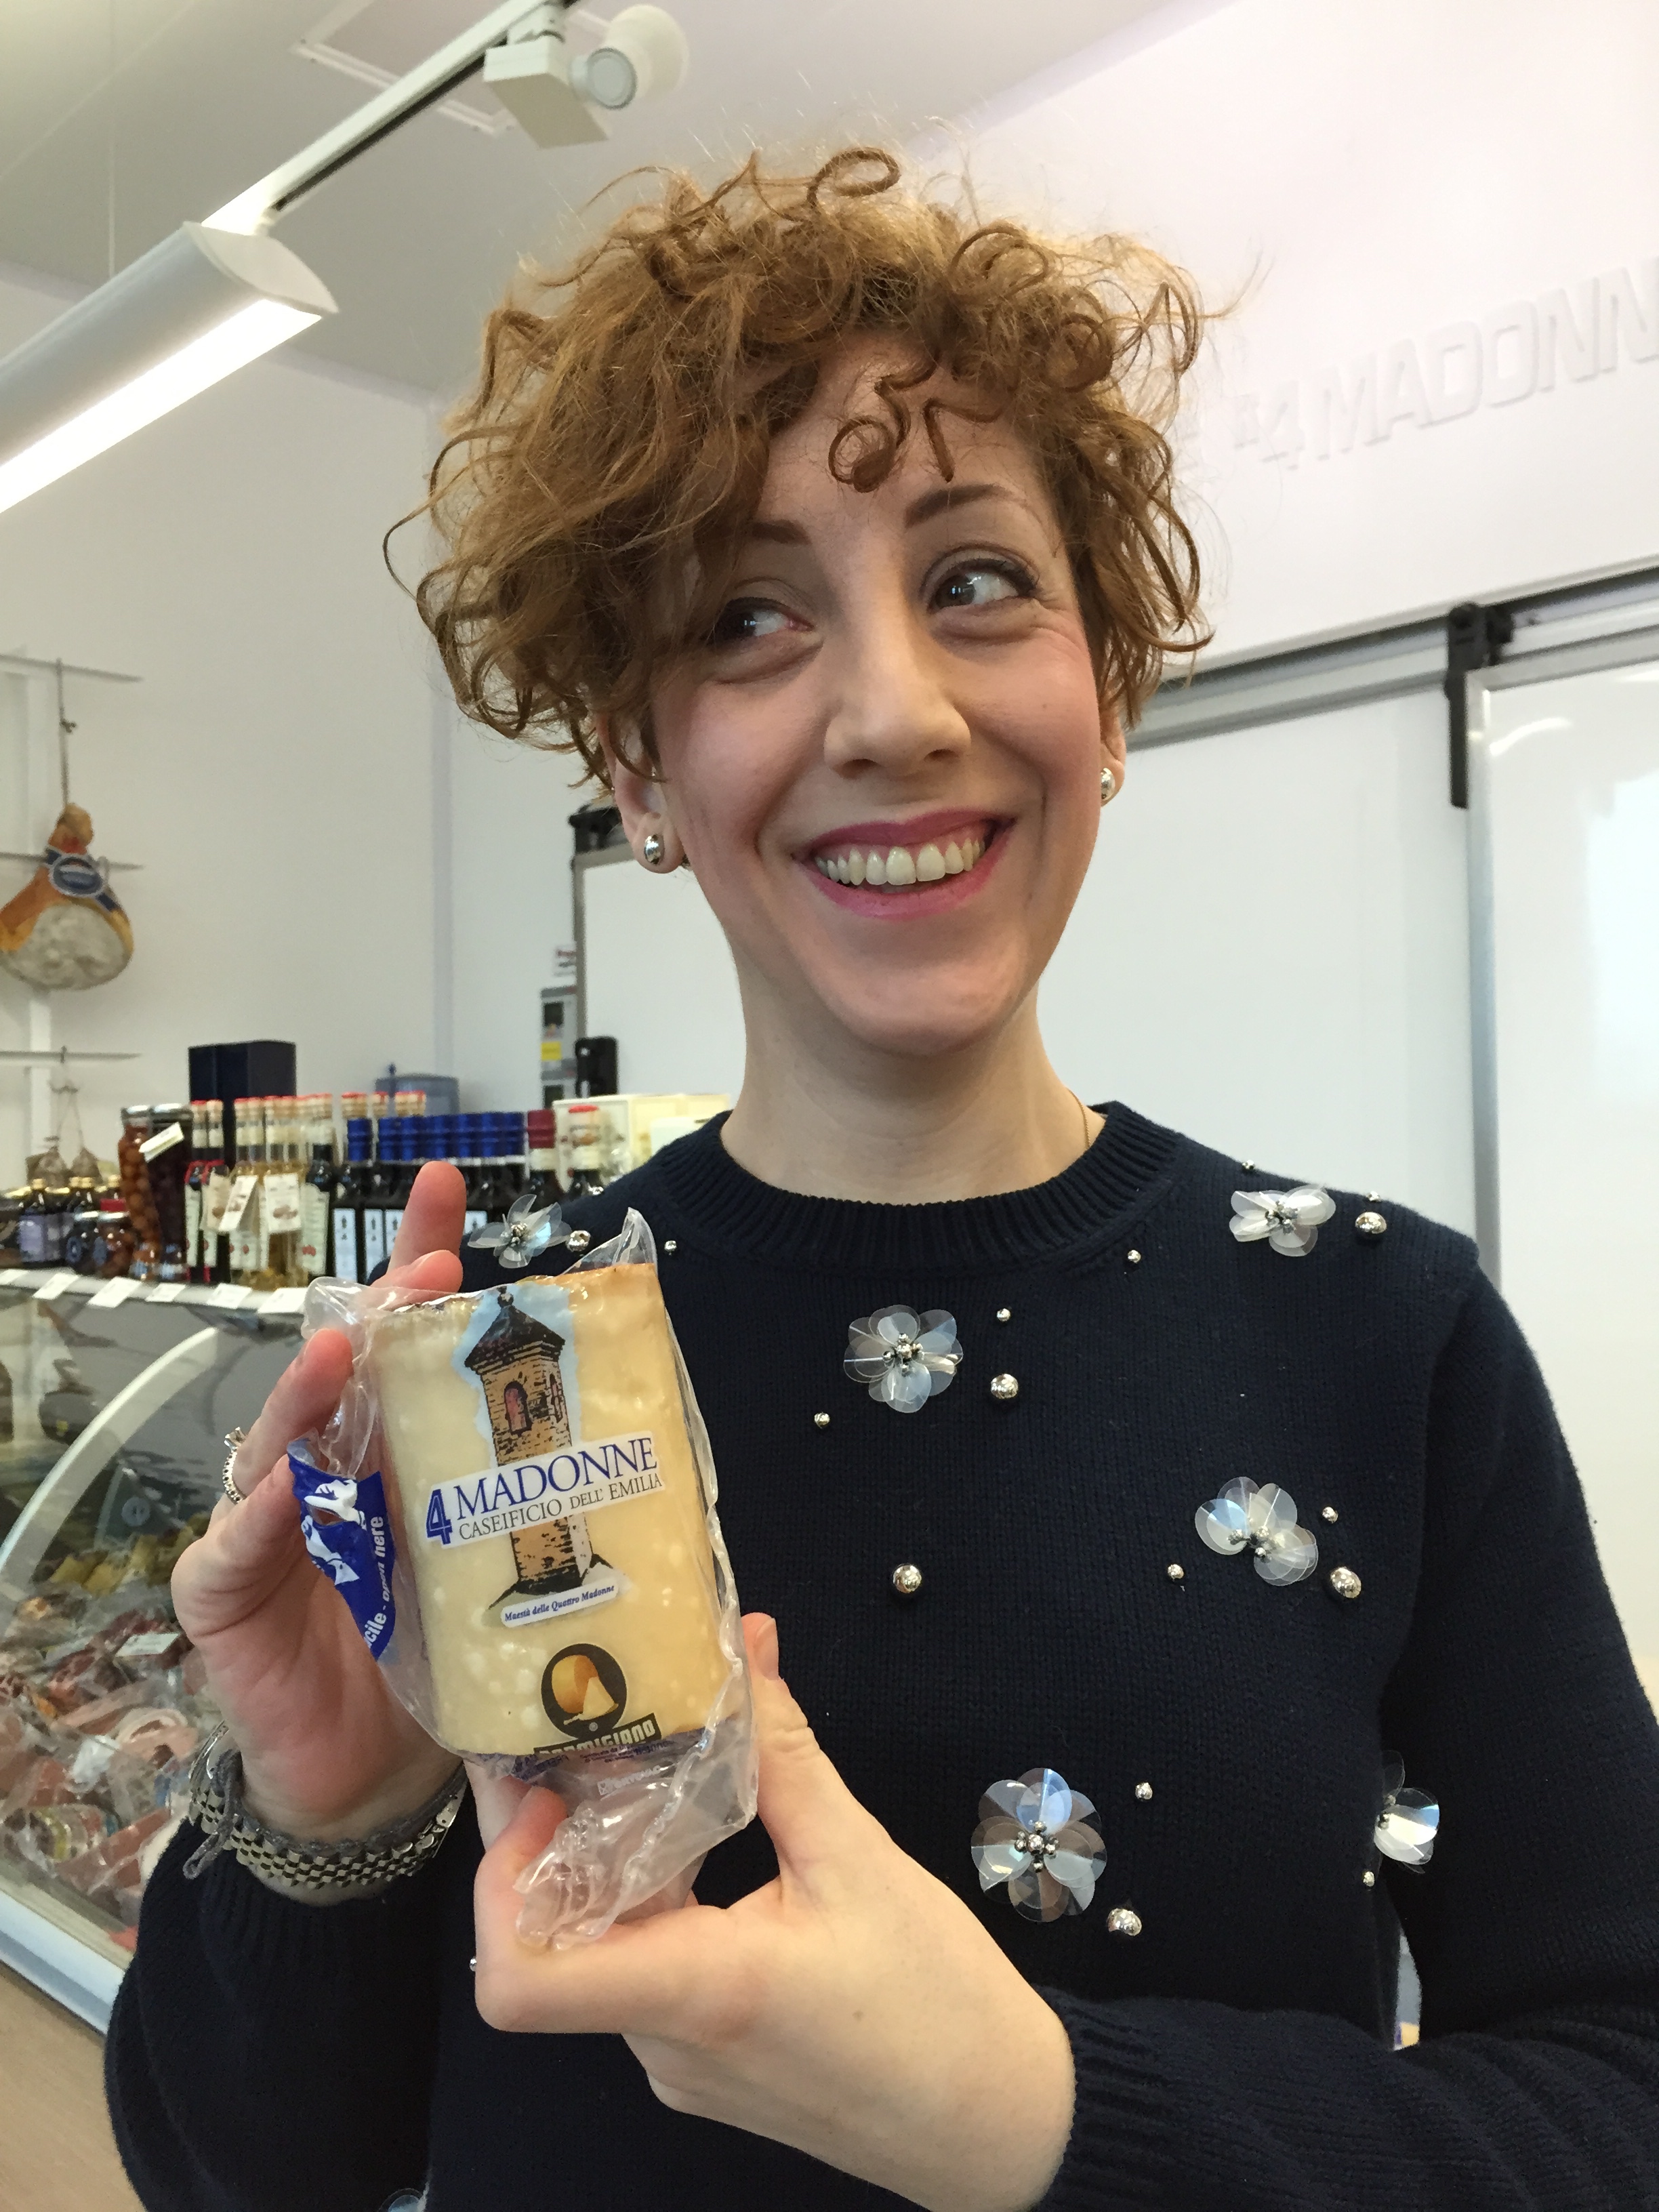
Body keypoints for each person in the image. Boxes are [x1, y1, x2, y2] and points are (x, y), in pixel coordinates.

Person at [106, 150, 1659, 2211]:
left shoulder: (1386, 1330)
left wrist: (1044, 2114)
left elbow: (1619, 2090)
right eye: (748, 618)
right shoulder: (499, 1382)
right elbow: (238, 2172)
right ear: (640, 770)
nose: (896, 712)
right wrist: (331, 1819)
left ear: (1109, 684)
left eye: (979, 581)